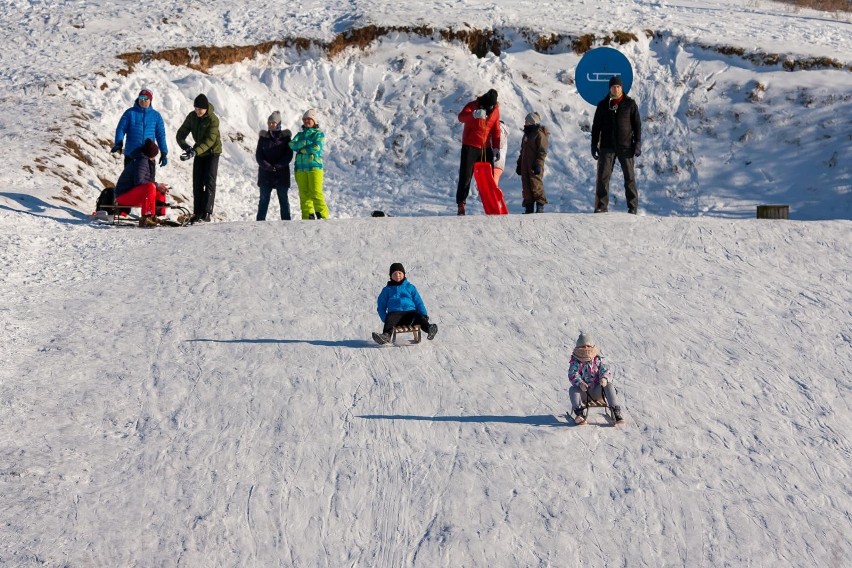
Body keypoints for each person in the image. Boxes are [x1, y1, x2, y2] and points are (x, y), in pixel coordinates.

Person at [591, 75, 642, 214]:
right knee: (603, 177)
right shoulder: (603, 105)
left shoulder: (630, 104)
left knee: (629, 177)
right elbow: (596, 127)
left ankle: (632, 207)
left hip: (625, 146)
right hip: (607, 146)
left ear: (622, 88)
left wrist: (637, 143)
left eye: (618, 86)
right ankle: (601, 206)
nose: (616, 89)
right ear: (610, 88)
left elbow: (637, 125)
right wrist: (594, 144)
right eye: (613, 87)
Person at [176, 93, 222, 222]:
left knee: (209, 181)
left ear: (206, 108)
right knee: (197, 182)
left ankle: (206, 213)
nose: (197, 111)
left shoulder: (213, 120)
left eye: (200, 109)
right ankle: (197, 213)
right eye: (196, 108)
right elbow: (180, 134)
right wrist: (186, 147)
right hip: (198, 152)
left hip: (212, 152)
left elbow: (210, 140)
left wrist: (194, 152)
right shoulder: (192, 117)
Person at [455, 88, 501, 216]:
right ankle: (461, 204)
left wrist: (496, 147)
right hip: (470, 145)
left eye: (491, 107)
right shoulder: (473, 105)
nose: (489, 109)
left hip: (486, 148)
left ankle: (492, 203)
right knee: (465, 176)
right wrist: (473, 115)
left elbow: (496, 130)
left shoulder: (496, 110)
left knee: (489, 176)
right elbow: (461, 117)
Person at [373, 263, 438, 345]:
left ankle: (429, 329)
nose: (397, 275)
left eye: (399, 273)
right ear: (390, 276)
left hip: (410, 314)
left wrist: (424, 315)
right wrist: (385, 319)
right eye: (394, 274)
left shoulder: (410, 287)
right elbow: (381, 305)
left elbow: (418, 302)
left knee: (418, 316)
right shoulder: (387, 290)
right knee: (390, 317)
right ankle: (386, 336)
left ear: (403, 274)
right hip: (395, 316)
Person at [567, 332, 624, 425]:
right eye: (583, 346)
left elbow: (605, 370)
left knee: (609, 386)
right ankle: (579, 414)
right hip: (583, 392)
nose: (585, 349)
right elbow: (573, 374)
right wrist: (580, 383)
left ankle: (615, 411)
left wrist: (604, 379)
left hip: (598, 391)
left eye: (588, 346)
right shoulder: (576, 361)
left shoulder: (597, 359)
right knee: (573, 389)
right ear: (578, 348)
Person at [113, 139, 169, 228]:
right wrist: (156, 185)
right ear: (151, 154)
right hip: (123, 196)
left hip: (133, 194)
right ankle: (146, 218)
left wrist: (158, 187)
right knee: (151, 186)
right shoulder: (141, 161)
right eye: (155, 155)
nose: (155, 157)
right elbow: (139, 182)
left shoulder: (146, 161)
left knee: (159, 189)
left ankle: (154, 215)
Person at [111, 88, 169, 167]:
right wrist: (118, 143)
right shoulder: (130, 113)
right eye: (141, 98)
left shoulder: (156, 116)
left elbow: (160, 135)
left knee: (147, 179)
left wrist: (164, 152)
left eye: (146, 98)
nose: (143, 100)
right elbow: (121, 129)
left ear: (150, 100)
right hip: (131, 154)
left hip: (148, 155)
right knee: (129, 179)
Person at [289, 109, 328, 219]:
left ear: (314, 121)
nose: (306, 121)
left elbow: (316, 148)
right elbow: (292, 145)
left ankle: (323, 217)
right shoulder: (300, 135)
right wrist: (305, 143)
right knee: (304, 195)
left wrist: (301, 148)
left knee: (316, 193)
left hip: (314, 167)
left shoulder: (318, 134)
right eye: (304, 119)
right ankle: (307, 218)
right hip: (300, 169)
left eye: (309, 119)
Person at [255, 111, 294, 221]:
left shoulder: (285, 139)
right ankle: (259, 222)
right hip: (265, 173)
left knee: (283, 199)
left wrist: (278, 166)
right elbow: (259, 156)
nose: (271, 124)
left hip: (281, 174)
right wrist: (268, 167)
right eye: (270, 122)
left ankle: (286, 222)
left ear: (279, 123)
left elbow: (288, 155)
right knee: (263, 199)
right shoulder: (263, 138)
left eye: (274, 122)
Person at [515, 112, 549, 213]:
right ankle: (529, 207)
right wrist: (519, 163)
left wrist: (538, 164)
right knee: (526, 185)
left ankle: (540, 205)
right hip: (525, 164)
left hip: (534, 164)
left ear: (532, 121)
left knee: (535, 183)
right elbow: (522, 151)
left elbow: (542, 151)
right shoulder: (526, 135)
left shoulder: (539, 134)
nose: (525, 123)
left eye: (527, 121)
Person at [492, 120, 509, 186]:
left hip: (496, 160)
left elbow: (499, 143)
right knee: (493, 184)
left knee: (492, 185)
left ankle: (495, 196)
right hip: (499, 161)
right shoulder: (503, 131)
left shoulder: (500, 128)